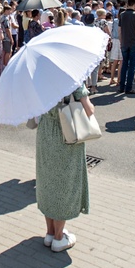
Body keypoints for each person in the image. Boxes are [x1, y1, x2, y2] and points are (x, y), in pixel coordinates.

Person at [34, 84, 94, 252]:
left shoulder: (40, 75)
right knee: (63, 183)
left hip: (45, 131)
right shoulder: (71, 78)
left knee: (47, 181)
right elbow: (89, 110)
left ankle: (50, 233)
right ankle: (59, 238)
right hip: (66, 131)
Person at [118, 0, 135, 94]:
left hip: (124, 42)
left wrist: (121, 41)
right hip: (133, 42)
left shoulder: (122, 15)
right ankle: (129, 88)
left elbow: (119, 30)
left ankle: (121, 86)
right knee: (132, 65)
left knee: (124, 64)